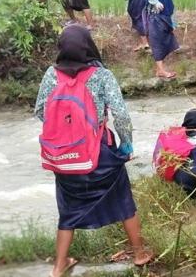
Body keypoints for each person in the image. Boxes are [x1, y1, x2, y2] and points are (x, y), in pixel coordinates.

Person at [34, 25, 152, 277]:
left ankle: (59, 266)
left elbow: (40, 112)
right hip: (100, 152)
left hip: (64, 156)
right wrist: (127, 144)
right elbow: (120, 114)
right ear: (88, 45)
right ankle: (140, 254)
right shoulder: (102, 75)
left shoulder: (50, 74)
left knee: (67, 211)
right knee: (123, 201)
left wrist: (65, 131)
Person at [145, 0, 179, 79]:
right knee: (158, 45)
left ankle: (159, 70)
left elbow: (171, 7)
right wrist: (157, 3)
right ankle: (161, 71)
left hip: (165, 21)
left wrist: (173, 23)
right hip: (156, 22)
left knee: (166, 43)